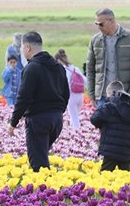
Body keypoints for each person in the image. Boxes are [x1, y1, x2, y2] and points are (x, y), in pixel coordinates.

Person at [8, 32, 69, 172]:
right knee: (42, 156)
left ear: (28, 48)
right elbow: (66, 93)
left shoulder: (31, 68)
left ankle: (44, 186)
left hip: (38, 119)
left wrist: (13, 122)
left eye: (22, 48)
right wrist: (58, 112)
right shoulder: (58, 67)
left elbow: (23, 97)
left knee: (38, 164)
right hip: (56, 119)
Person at [86, 8, 130, 105]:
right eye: (96, 24)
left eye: (101, 24)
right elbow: (90, 69)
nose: (99, 27)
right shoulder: (95, 41)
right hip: (102, 96)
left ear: (112, 21)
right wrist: (92, 95)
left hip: (124, 95)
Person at [91, 80, 130, 172]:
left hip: (110, 149)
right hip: (127, 150)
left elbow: (94, 118)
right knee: (126, 175)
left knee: (106, 174)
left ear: (111, 94)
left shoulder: (109, 106)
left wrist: (102, 126)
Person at [54, 50, 87, 129]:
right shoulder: (75, 68)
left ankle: (76, 132)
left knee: (74, 118)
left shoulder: (63, 70)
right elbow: (85, 81)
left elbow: (63, 86)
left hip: (71, 97)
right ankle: (74, 130)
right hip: (80, 95)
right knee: (75, 116)